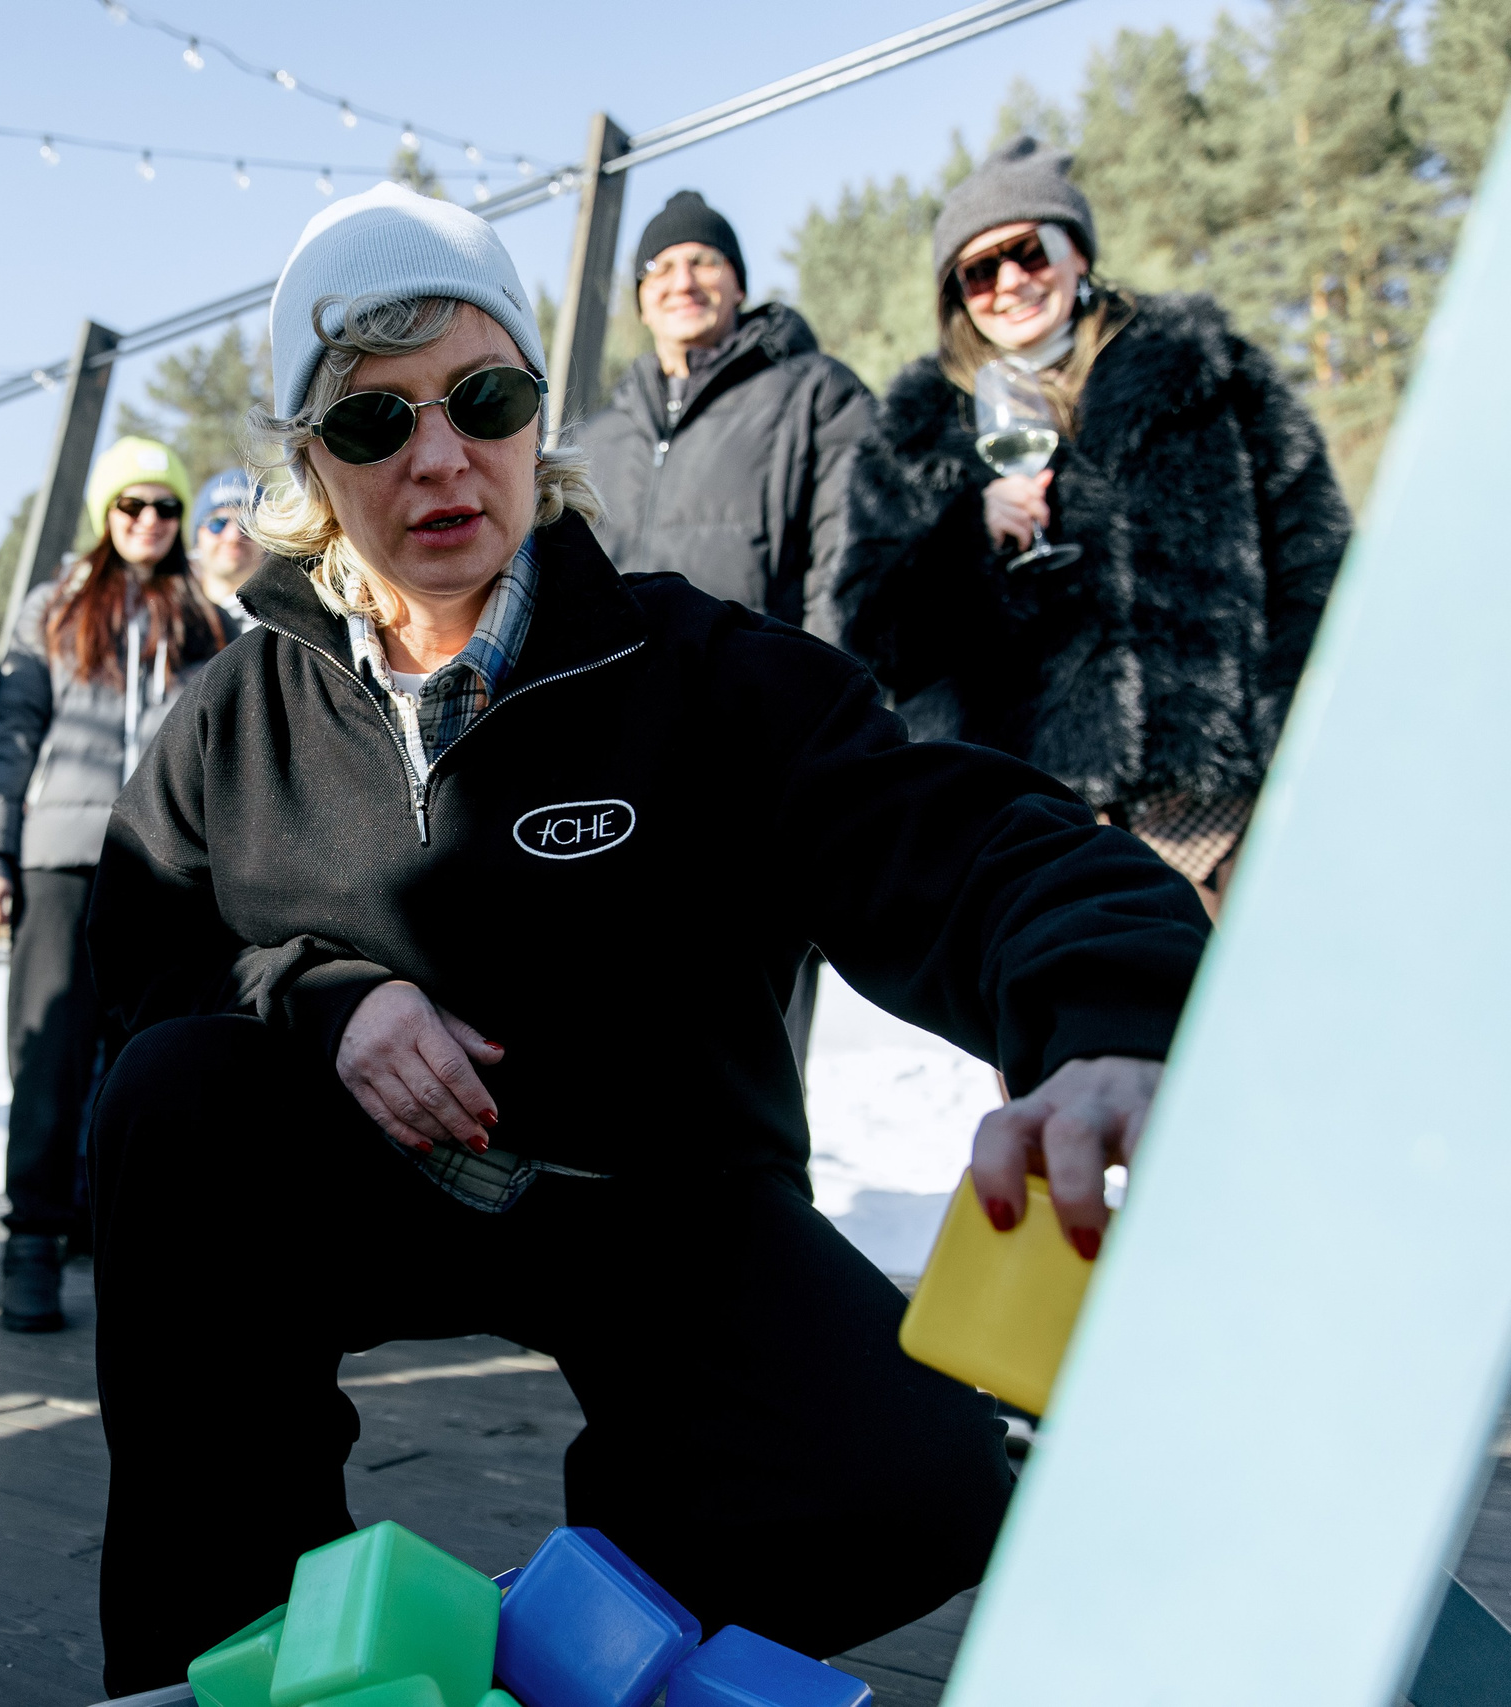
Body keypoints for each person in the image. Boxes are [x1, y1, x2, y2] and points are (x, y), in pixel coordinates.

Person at [81, 180, 1216, 1694]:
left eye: (482, 399)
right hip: (368, 1177)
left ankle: (579, 1634)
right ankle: (224, 1658)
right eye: (372, 421)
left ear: (537, 416)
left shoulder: (693, 669)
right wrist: (323, 996)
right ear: (308, 459)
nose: (438, 455)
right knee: (169, 1100)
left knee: (921, 1477)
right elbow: (137, 948)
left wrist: (1108, 1018)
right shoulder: (242, 704)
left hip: (655, 1191)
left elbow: (955, 835)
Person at [838, 139, 1349, 920]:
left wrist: (1292, 744)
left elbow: (1317, 559)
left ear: (1076, 252)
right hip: (1040, 826)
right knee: (1101, 1041)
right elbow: (871, 633)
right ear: (955, 297)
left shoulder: (1210, 369)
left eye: (1029, 252)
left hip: (1231, 805)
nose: (1010, 282)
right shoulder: (912, 432)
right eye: (980, 270)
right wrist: (968, 541)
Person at [0, 435, 227, 1334]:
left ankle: (132, 1242)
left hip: (164, 867)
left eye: (164, 508)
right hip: (62, 853)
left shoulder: (205, 617)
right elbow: (10, 732)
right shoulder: (54, 607)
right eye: (131, 506)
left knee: (151, 1060)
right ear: (104, 516)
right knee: (49, 1058)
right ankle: (30, 1240)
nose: (148, 523)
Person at [573, 190, 873, 640]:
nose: (683, 282)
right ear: (641, 302)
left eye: (704, 260)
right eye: (660, 268)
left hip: (765, 702)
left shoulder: (817, 395)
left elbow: (849, 571)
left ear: (740, 286)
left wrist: (817, 701)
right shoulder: (592, 440)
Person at [190, 466, 264, 625]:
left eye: (248, 524)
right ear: (197, 539)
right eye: (217, 523)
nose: (233, 536)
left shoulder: (290, 623)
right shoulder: (174, 615)